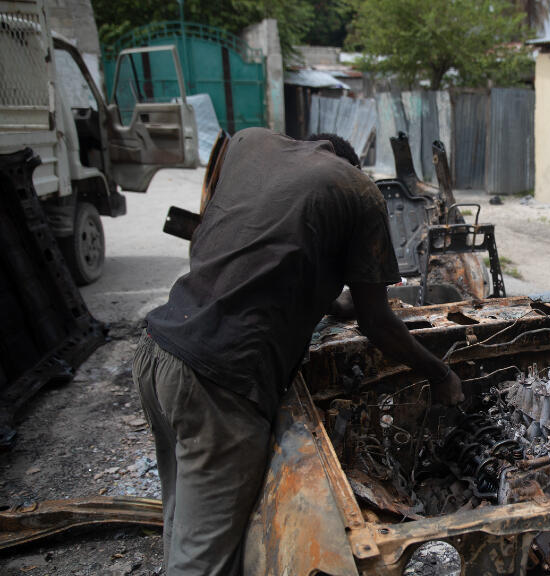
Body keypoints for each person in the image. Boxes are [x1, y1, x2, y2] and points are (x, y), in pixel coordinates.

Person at [132, 128, 463, 575]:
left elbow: (266, 242)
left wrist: (332, 302)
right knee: (204, 561)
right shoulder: (357, 188)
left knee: (181, 517)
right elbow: (377, 323)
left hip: (158, 350)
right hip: (220, 384)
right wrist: (438, 373)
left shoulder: (250, 144)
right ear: (352, 165)